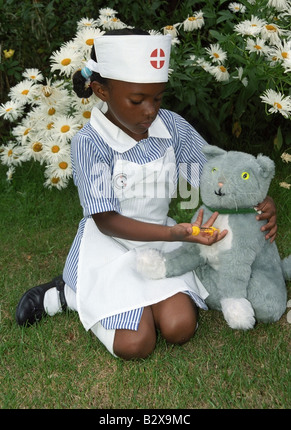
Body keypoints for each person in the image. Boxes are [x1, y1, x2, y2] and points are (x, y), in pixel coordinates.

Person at [15, 29, 277, 360]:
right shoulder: (89, 142)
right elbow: (107, 221)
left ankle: (144, 299)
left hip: (159, 242)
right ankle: (69, 293)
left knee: (180, 328)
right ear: (101, 91)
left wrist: (258, 200)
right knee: (136, 345)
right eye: (137, 101)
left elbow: (217, 175)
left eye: (157, 98)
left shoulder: (172, 128)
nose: (150, 111)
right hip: (110, 244)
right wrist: (173, 232)